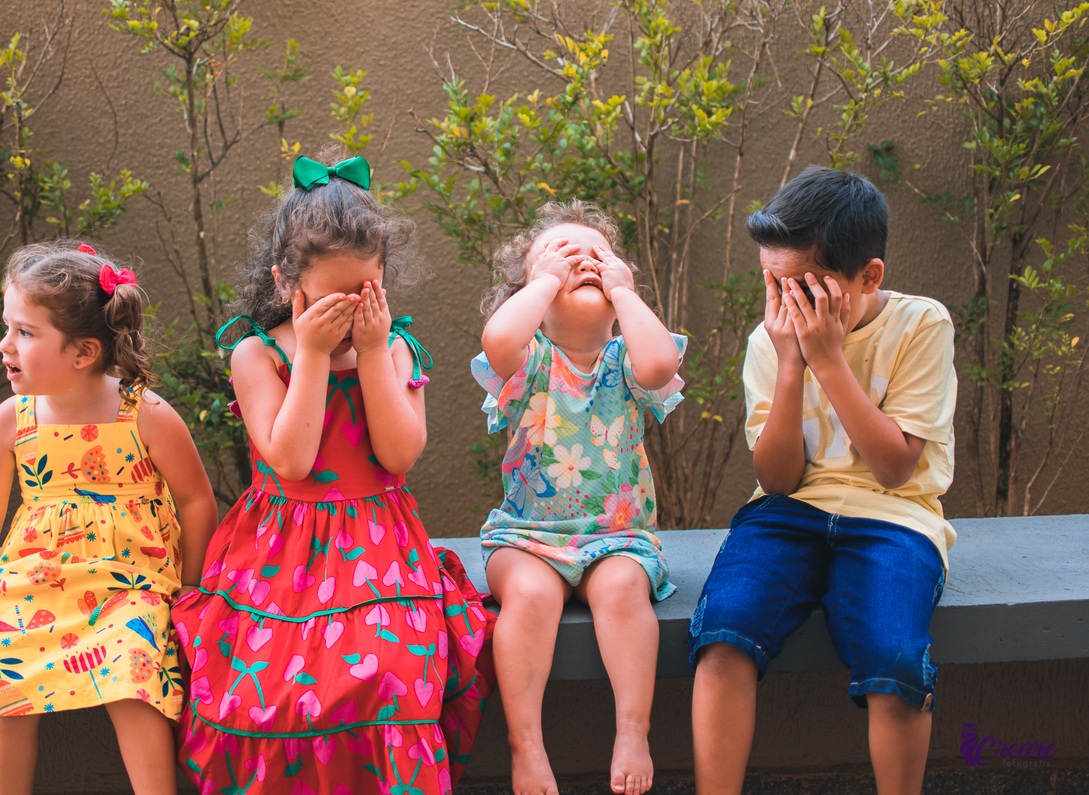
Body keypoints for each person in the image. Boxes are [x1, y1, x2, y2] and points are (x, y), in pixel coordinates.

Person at [173, 153, 495, 795]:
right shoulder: (256, 352)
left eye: (366, 292)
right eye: (329, 299)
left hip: (379, 544)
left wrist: (373, 353)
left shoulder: (393, 346)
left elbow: (399, 455)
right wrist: (314, 354)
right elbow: (288, 461)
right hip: (279, 553)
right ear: (285, 283)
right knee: (263, 690)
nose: (350, 311)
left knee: (390, 674)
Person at [688, 166, 957, 795]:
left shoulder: (921, 325)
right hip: (788, 513)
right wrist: (789, 363)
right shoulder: (769, 340)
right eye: (774, 285)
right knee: (724, 629)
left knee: (894, 655)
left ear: (869, 277)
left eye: (806, 288)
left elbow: (896, 468)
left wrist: (829, 360)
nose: (787, 305)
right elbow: (777, 479)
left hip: (894, 520)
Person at [0, 242, 218, 795]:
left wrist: (190, 586)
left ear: (83, 351)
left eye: (25, 333)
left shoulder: (146, 415)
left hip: (130, 582)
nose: (4, 345)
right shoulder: (10, 421)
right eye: (7, 327)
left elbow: (197, 500)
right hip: (37, 578)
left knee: (133, 668)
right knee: (1, 660)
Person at [471, 201, 686, 795]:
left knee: (622, 588)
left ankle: (632, 730)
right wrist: (543, 280)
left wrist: (626, 295)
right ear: (531, 296)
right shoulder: (530, 362)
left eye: (598, 256)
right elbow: (499, 338)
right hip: (525, 536)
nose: (583, 263)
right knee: (531, 595)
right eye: (561, 256)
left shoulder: (625, 362)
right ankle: (527, 745)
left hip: (617, 538)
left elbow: (659, 361)